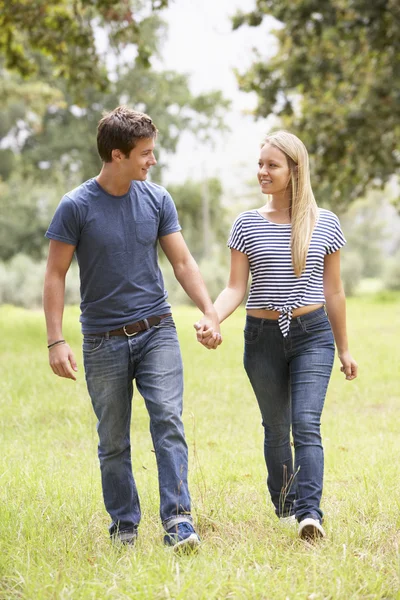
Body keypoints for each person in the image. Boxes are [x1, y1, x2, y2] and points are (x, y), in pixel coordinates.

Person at [43, 106, 221, 551]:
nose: (152, 161)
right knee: (113, 438)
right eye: (145, 153)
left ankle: (179, 522)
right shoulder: (76, 206)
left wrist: (209, 310)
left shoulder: (157, 199)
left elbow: (181, 261)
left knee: (167, 421)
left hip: (157, 328)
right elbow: (54, 274)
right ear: (117, 155)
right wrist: (55, 339)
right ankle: (124, 525)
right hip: (103, 339)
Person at [196, 131, 358, 540]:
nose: (262, 172)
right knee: (275, 426)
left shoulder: (326, 224)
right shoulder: (246, 223)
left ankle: (310, 514)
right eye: (260, 164)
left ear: (294, 170)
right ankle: (285, 505)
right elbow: (236, 286)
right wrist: (212, 318)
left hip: (312, 335)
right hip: (262, 337)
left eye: (272, 165)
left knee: (305, 423)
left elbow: (334, 291)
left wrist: (344, 349)